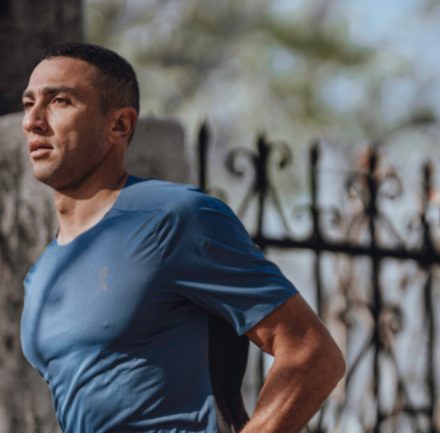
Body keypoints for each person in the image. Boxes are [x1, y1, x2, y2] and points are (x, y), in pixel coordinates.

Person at [18, 42, 344, 433]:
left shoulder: (174, 217)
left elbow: (311, 352)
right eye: (28, 103)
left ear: (119, 124)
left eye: (60, 101)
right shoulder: (43, 271)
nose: (33, 120)